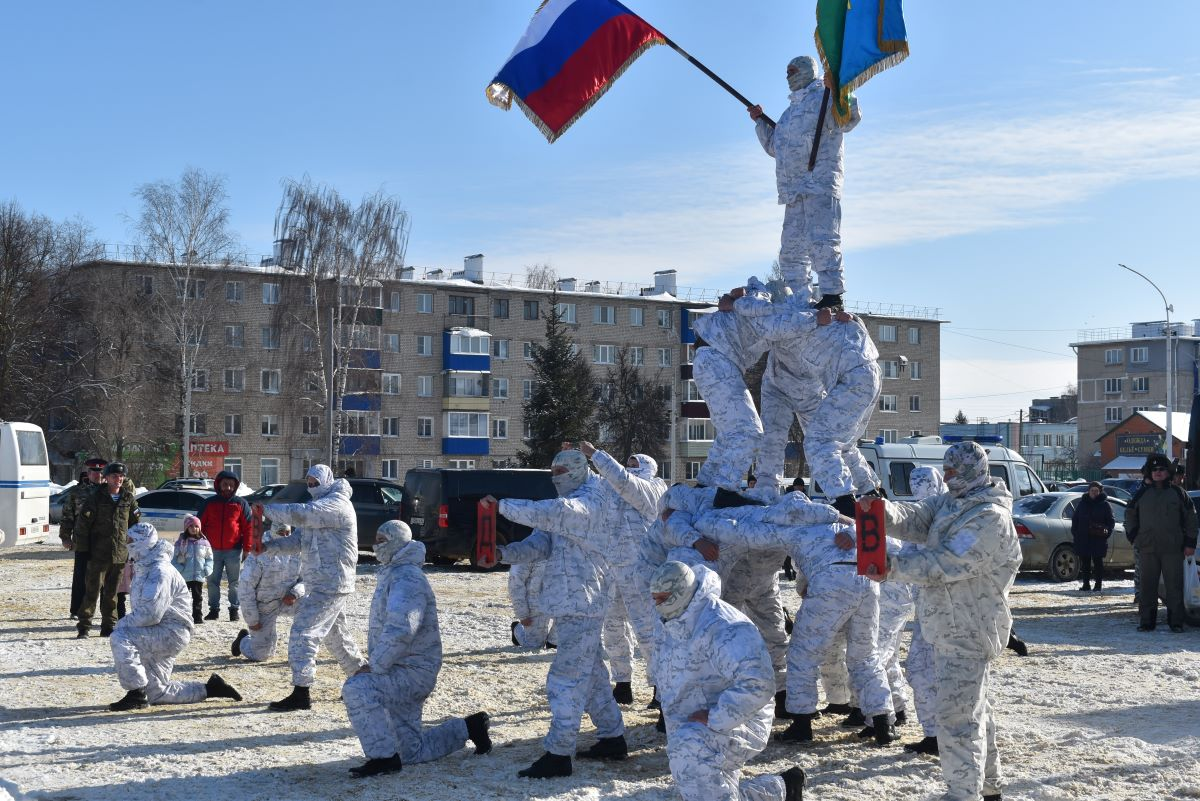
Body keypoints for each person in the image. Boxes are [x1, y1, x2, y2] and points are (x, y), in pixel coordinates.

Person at [861, 441, 1021, 801]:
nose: (947, 478)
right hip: (949, 626)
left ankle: (963, 794)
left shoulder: (990, 517)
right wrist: (880, 512)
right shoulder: (953, 503)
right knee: (974, 709)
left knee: (955, 718)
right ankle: (989, 788)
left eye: (953, 471)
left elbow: (948, 562)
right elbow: (917, 518)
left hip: (970, 627)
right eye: (944, 471)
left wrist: (893, 567)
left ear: (971, 470)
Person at [483, 449, 625, 779]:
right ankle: (612, 736)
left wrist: (502, 507)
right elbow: (540, 544)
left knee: (566, 680)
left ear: (578, 470)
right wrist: (502, 553)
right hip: (570, 602)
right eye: (553, 471)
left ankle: (559, 753)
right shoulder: (568, 504)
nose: (556, 477)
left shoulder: (591, 500)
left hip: (584, 602)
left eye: (562, 470)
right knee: (590, 676)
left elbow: (556, 514)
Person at [342, 521, 491, 777]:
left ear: (397, 542)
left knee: (357, 689)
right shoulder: (394, 571)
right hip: (398, 668)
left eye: (382, 540)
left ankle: (383, 759)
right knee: (411, 752)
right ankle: (469, 727)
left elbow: (402, 628)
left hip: (411, 673)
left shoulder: (407, 578)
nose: (377, 545)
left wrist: (374, 666)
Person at [652, 561, 806, 801]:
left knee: (691, 755)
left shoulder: (723, 624)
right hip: (696, 723)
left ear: (679, 594)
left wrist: (717, 718)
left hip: (739, 718)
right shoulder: (672, 623)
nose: (656, 605)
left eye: (662, 598)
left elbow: (758, 683)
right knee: (702, 788)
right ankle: (783, 789)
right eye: (655, 598)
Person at [748, 55, 861, 309]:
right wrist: (760, 122)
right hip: (793, 191)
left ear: (808, 71)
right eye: (787, 72)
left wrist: (841, 89)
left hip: (819, 183)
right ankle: (798, 298)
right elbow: (776, 147)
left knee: (823, 240)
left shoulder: (826, 97)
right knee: (791, 249)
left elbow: (850, 117)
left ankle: (832, 296)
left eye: (793, 71)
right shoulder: (788, 114)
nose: (789, 76)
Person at [254, 464, 366, 711]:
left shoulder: (335, 505)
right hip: (321, 583)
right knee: (336, 635)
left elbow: (302, 514)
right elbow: (297, 542)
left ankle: (301, 692)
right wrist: (269, 547)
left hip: (331, 582)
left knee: (303, 632)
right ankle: (363, 677)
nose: (312, 486)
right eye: (309, 482)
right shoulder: (319, 507)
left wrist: (267, 510)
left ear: (327, 481)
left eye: (316, 481)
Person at [107, 523, 242, 711]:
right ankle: (211, 689)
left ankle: (135, 694)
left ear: (141, 543)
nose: (127, 544)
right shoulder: (144, 567)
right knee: (155, 693)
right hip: (157, 630)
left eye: (131, 541)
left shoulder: (159, 571)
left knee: (121, 637)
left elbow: (150, 614)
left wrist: (122, 624)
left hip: (170, 632)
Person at [580, 441, 669, 706]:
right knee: (613, 628)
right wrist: (576, 462)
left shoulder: (653, 489)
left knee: (648, 632)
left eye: (634, 465)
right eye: (628, 463)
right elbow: (595, 483)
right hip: (612, 568)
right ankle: (622, 683)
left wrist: (596, 455)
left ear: (648, 469)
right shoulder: (615, 488)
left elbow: (623, 481)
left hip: (641, 571)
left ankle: (660, 689)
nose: (629, 468)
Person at [689, 279, 771, 492]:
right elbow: (735, 299)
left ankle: (704, 484)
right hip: (718, 359)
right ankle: (726, 489)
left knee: (729, 432)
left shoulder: (749, 306)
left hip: (710, 360)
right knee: (749, 431)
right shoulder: (763, 303)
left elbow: (729, 300)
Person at [1126, 453, 1198, 632]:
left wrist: (1190, 543)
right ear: (1149, 473)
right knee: (1147, 586)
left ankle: (1175, 622)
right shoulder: (1142, 493)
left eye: (1161, 469)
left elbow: (1191, 518)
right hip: (1148, 548)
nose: (1158, 472)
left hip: (1172, 548)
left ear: (1168, 472)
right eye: (1154, 469)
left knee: (1174, 586)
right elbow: (1130, 513)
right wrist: (1134, 535)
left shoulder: (1177, 493)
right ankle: (1147, 621)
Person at [73, 462, 140, 638]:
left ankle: (108, 626)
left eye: (121, 476)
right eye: (114, 476)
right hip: (97, 554)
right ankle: (84, 627)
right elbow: (83, 526)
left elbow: (135, 527)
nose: (118, 479)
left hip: (119, 555)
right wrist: (83, 550)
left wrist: (134, 550)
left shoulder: (128, 499)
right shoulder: (96, 498)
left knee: (112, 594)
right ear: (107, 478)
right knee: (91, 592)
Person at [232, 525, 305, 661]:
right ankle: (243, 640)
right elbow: (245, 589)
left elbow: (307, 580)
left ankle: (302, 650)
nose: (284, 536)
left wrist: (295, 593)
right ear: (272, 532)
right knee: (262, 656)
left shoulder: (297, 552)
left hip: (287, 600)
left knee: (311, 605)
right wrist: (252, 620)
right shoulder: (259, 554)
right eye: (280, 532)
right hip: (264, 606)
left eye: (287, 532)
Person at [197, 469, 252, 622]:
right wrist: (199, 546)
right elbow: (198, 525)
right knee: (212, 581)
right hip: (211, 550)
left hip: (234, 550)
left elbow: (248, 528)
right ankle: (214, 610)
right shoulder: (209, 503)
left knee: (235, 582)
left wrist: (247, 549)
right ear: (219, 485)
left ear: (235, 486)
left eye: (231, 485)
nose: (227, 487)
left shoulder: (241, 504)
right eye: (225, 484)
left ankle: (234, 609)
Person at [61, 458, 107, 619]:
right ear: (88, 473)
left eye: (101, 471)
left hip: (104, 541)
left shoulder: (110, 491)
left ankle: (106, 611)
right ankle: (76, 610)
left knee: (105, 578)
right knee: (81, 577)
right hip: (82, 540)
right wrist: (65, 537)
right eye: (94, 471)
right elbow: (67, 516)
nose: (98, 475)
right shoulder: (76, 492)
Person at [1070, 482, 1115, 593]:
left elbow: (1111, 521)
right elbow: (1075, 519)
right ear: (1088, 491)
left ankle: (1098, 585)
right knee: (1085, 563)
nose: (1094, 493)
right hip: (1083, 538)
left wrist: (1106, 532)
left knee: (1098, 563)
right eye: (1092, 491)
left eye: (1096, 491)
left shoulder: (1105, 505)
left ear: (1100, 492)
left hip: (1098, 539)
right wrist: (1075, 532)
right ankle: (1086, 585)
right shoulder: (1082, 504)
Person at [173, 515, 214, 624]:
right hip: (184, 576)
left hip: (198, 575)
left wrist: (207, 569)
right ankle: (183, 617)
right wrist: (179, 569)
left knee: (197, 598)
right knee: (182, 598)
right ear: (186, 528)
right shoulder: (181, 542)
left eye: (196, 526)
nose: (193, 528)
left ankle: (197, 617)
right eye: (190, 526)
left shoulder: (204, 543)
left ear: (199, 528)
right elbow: (174, 558)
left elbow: (209, 558)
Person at [508, 557, 556, 649]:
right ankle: (517, 629)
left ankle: (553, 642)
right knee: (534, 646)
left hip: (563, 602)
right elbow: (515, 584)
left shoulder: (567, 547)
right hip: (537, 604)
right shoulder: (528, 550)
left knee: (561, 637)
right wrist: (522, 614)